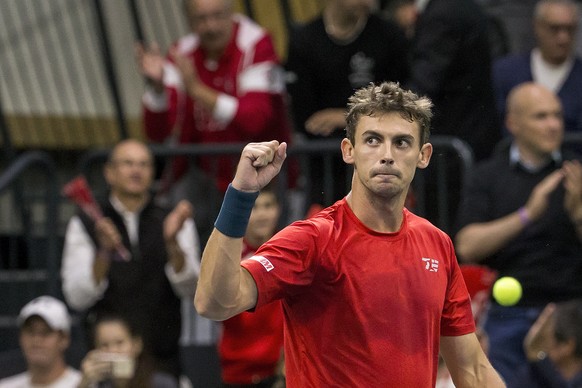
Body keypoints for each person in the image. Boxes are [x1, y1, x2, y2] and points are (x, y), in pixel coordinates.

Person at [195, 81, 504, 386]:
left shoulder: (436, 244)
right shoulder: (313, 239)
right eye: (372, 140)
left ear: (423, 155)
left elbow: (473, 372)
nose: (386, 155)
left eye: (401, 142)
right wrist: (240, 194)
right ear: (348, 150)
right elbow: (214, 302)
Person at [454, 82, 582, 384]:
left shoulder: (577, 174)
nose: (553, 125)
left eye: (557, 116)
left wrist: (578, 214)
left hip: (570, 311)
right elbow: (467, 245)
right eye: (541, 117)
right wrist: (527, 215)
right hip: (509, 312)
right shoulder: (489, 175)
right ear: (513, 123)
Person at [135, 0, 293, 243]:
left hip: (262, 174)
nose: (210, 26)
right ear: (190, 21)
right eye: (201, 19)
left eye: (218, 16)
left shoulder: (256, 43)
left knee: (266, 254)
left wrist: (196, 90)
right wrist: (157, 89)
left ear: (231, 13)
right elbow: (157, 133)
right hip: (203, 177)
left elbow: (255, 119)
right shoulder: (182, 52)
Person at [61, 139, 200, 378]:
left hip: (163, 361)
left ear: (153, 173)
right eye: (127, 163)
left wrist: (172, 243)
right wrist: (103, 252)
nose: (136, 170)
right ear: (109, 173)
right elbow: (77, 297)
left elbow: (192, 289)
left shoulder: (174, 219)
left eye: (144, 164)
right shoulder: (86, 222)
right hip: (107, 364)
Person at [285, 0, 409, 209]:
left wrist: (344, 116)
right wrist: (370, 114)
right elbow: (306, 118)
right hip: (322, 167)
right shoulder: (305, 39)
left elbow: (400, 103)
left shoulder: (388, 35)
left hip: (378, 160)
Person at [408, 0, 501, 161]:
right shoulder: (458, 6)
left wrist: (384, 108)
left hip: (455, 138)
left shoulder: (443, 14)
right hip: (472, 131)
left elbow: (425, 81)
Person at [218, 184, 285, 387]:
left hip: (280, 373)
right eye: (254, 208)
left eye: (268, 206)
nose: (262, 214)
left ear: (278, 209)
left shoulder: (290, 252)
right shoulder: (226, 257)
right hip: (236, 374)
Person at [493, 0, 582, 135]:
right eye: (554, 28)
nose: (563, 38)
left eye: (570, 29)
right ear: (538, 26)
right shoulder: (507, 72)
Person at [0, 296, 82, 388]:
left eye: (46, 332)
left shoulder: (85, 384)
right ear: (21, 337)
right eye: (30, 331)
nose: (36, 340)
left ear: (64, 339)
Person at [78, 314, 178, 388]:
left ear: (137, 345)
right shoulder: (96, 384)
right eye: (104, 345)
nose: (113, 351)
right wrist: (83, 384)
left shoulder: (162, 384)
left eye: (120, 343)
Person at [511, 300, 582, 387]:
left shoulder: (542, 370)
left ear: (566, 346)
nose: (534, 340)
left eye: (542, 338)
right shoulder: (534, 375)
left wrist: (538, 358)